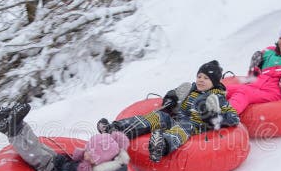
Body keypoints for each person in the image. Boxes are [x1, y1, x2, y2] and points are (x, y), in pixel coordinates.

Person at [96, 60, 240, 163]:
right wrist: (170, 100)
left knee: (184, 127)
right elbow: (174, 93)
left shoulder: (217, 97)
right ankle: (116, 129)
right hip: (176, 118)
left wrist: (213, 117)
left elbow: (233, 118)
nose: (201, 80)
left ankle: (161, 145)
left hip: (195, 126)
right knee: (158, 116)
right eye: (199, 76)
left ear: (214, 82)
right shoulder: (190, 88)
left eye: (206, 78)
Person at [0, 103, 130, 171]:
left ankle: (12, 131)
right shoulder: (100, 159)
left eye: (90, 153)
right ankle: (16, 122)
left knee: (36, 154)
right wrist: (73, 157)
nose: (86, 152)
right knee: (41, 146)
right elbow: (84, 160)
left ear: (98, 161)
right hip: (63, 164)